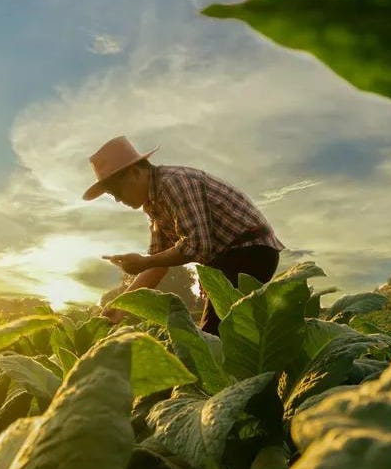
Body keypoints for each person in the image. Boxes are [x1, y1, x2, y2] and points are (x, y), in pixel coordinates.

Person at [83, 135, 285, 334]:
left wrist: (144, 262)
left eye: (117, 191)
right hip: (227, 260)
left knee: (213, 336)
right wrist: (121, 306)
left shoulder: (173, 183)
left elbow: (197, 246)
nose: (118, 200)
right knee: (228, 334)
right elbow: (157, 264)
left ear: (135, 172)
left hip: (250, 251)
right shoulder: (154, 205)